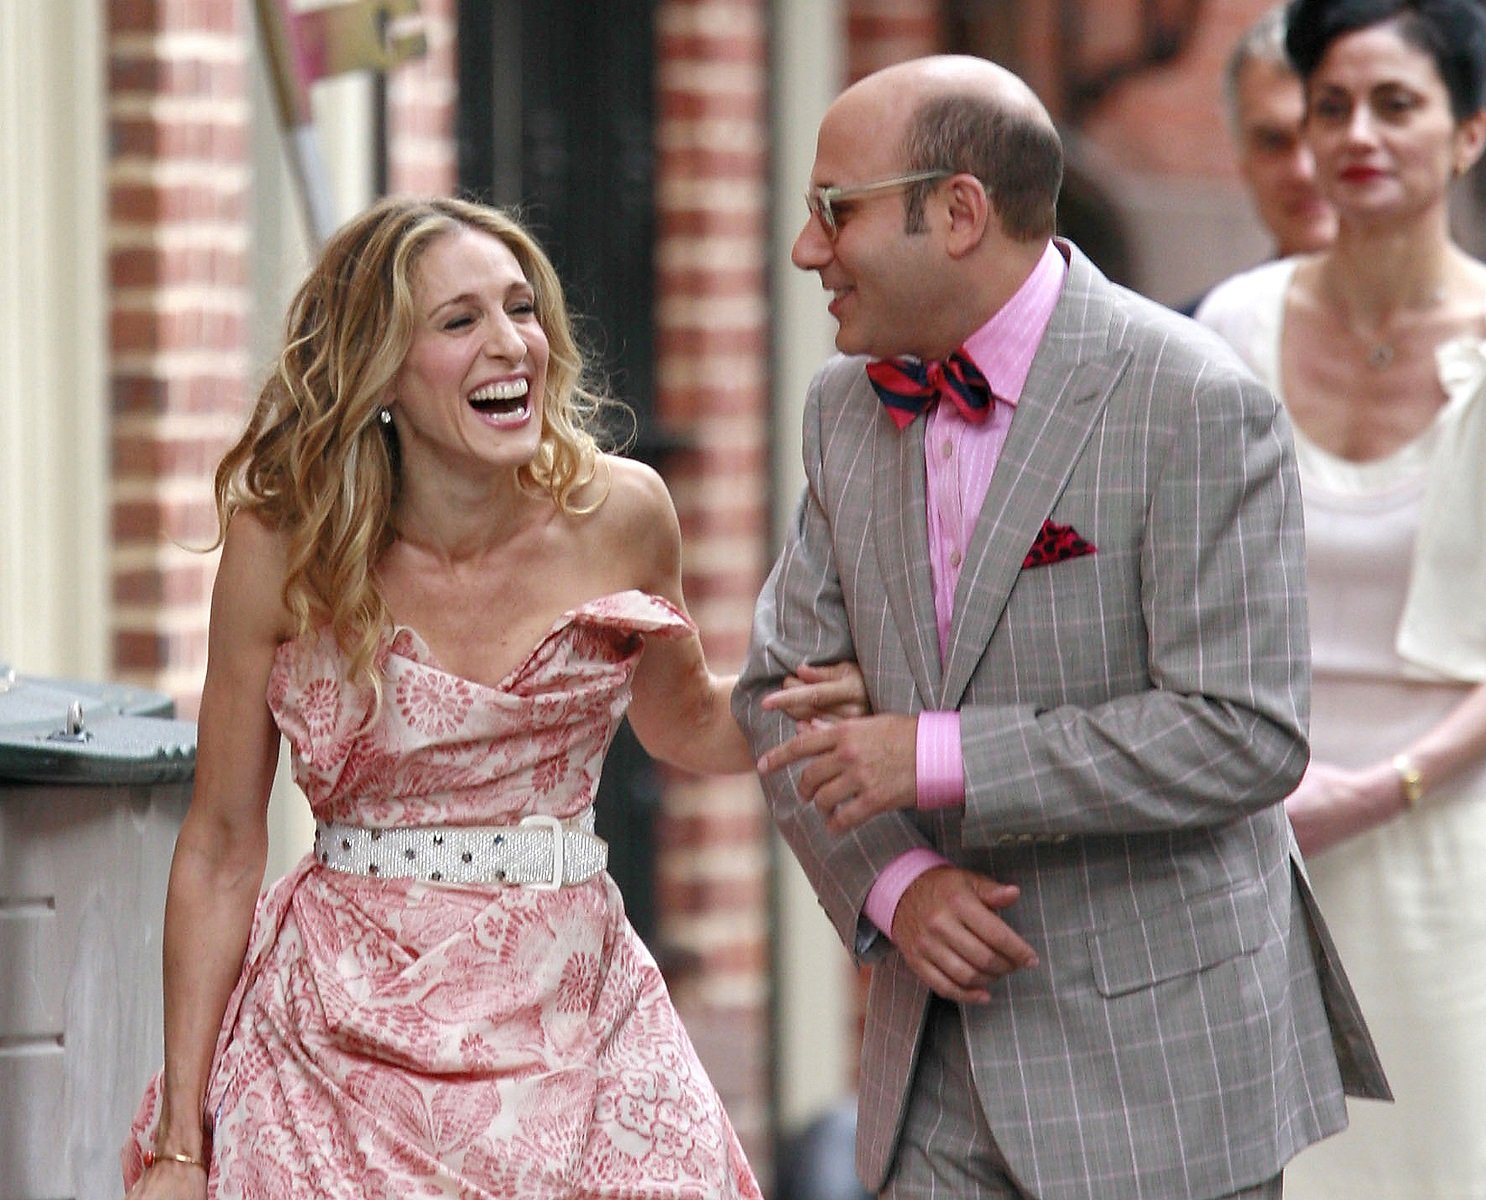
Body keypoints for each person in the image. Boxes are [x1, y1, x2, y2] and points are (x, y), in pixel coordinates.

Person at [732, 53, 1390, 1200]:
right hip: (932, 1062)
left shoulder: (1196, 402)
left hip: (1160, 1076)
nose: (806, 250)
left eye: (833, 213)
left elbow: (1241, 732)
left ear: (957, 212)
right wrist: (897, 888)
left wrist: (927, 749)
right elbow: (774, 696)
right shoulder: (843, 406)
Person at [119, 195, 865, 1200]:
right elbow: (218, 845)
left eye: (522, 309)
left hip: (577, 1023)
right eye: (459, 321)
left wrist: (842, 693)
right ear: (376, 371)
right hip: (334, 1051)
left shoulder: (625, 515)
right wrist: (181, 1146)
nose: (512, 343)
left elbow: (685, 721)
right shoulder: (279, 547)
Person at [1195, 1, 1486, 1194]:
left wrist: (1381, 788)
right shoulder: (1226, 332)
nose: (1357, 133)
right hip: (1252, 842)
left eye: (1396, 104)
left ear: (1468, 133)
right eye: (1329, 106)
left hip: (1450, 853)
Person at [1179, 4, 1337, 315]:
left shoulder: (1458, 331)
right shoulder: (1194, 340)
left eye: (1322, 131)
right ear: (1242, 160)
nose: (1303, 170)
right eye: (1273, 141)